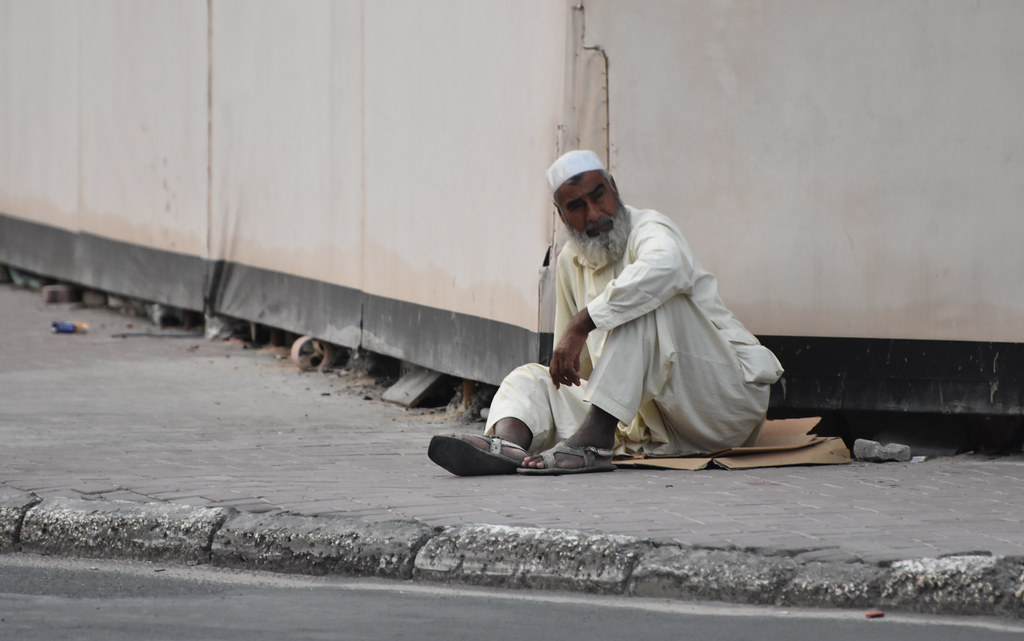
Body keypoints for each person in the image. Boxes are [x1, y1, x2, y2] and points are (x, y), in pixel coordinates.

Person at [428, 150, 783, 476]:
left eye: (599, 196)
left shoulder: (651, 228)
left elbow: (666, 268)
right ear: (562, 214)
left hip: (719, 403)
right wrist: (561, 380)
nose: (594, 214)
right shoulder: (570, 261)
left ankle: (593, 444)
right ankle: (506, 446)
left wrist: (583, 322)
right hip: (649, 425)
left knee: (644, 303)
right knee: (530, 378)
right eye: (577, 206)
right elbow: (580, 372)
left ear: (614, 188)